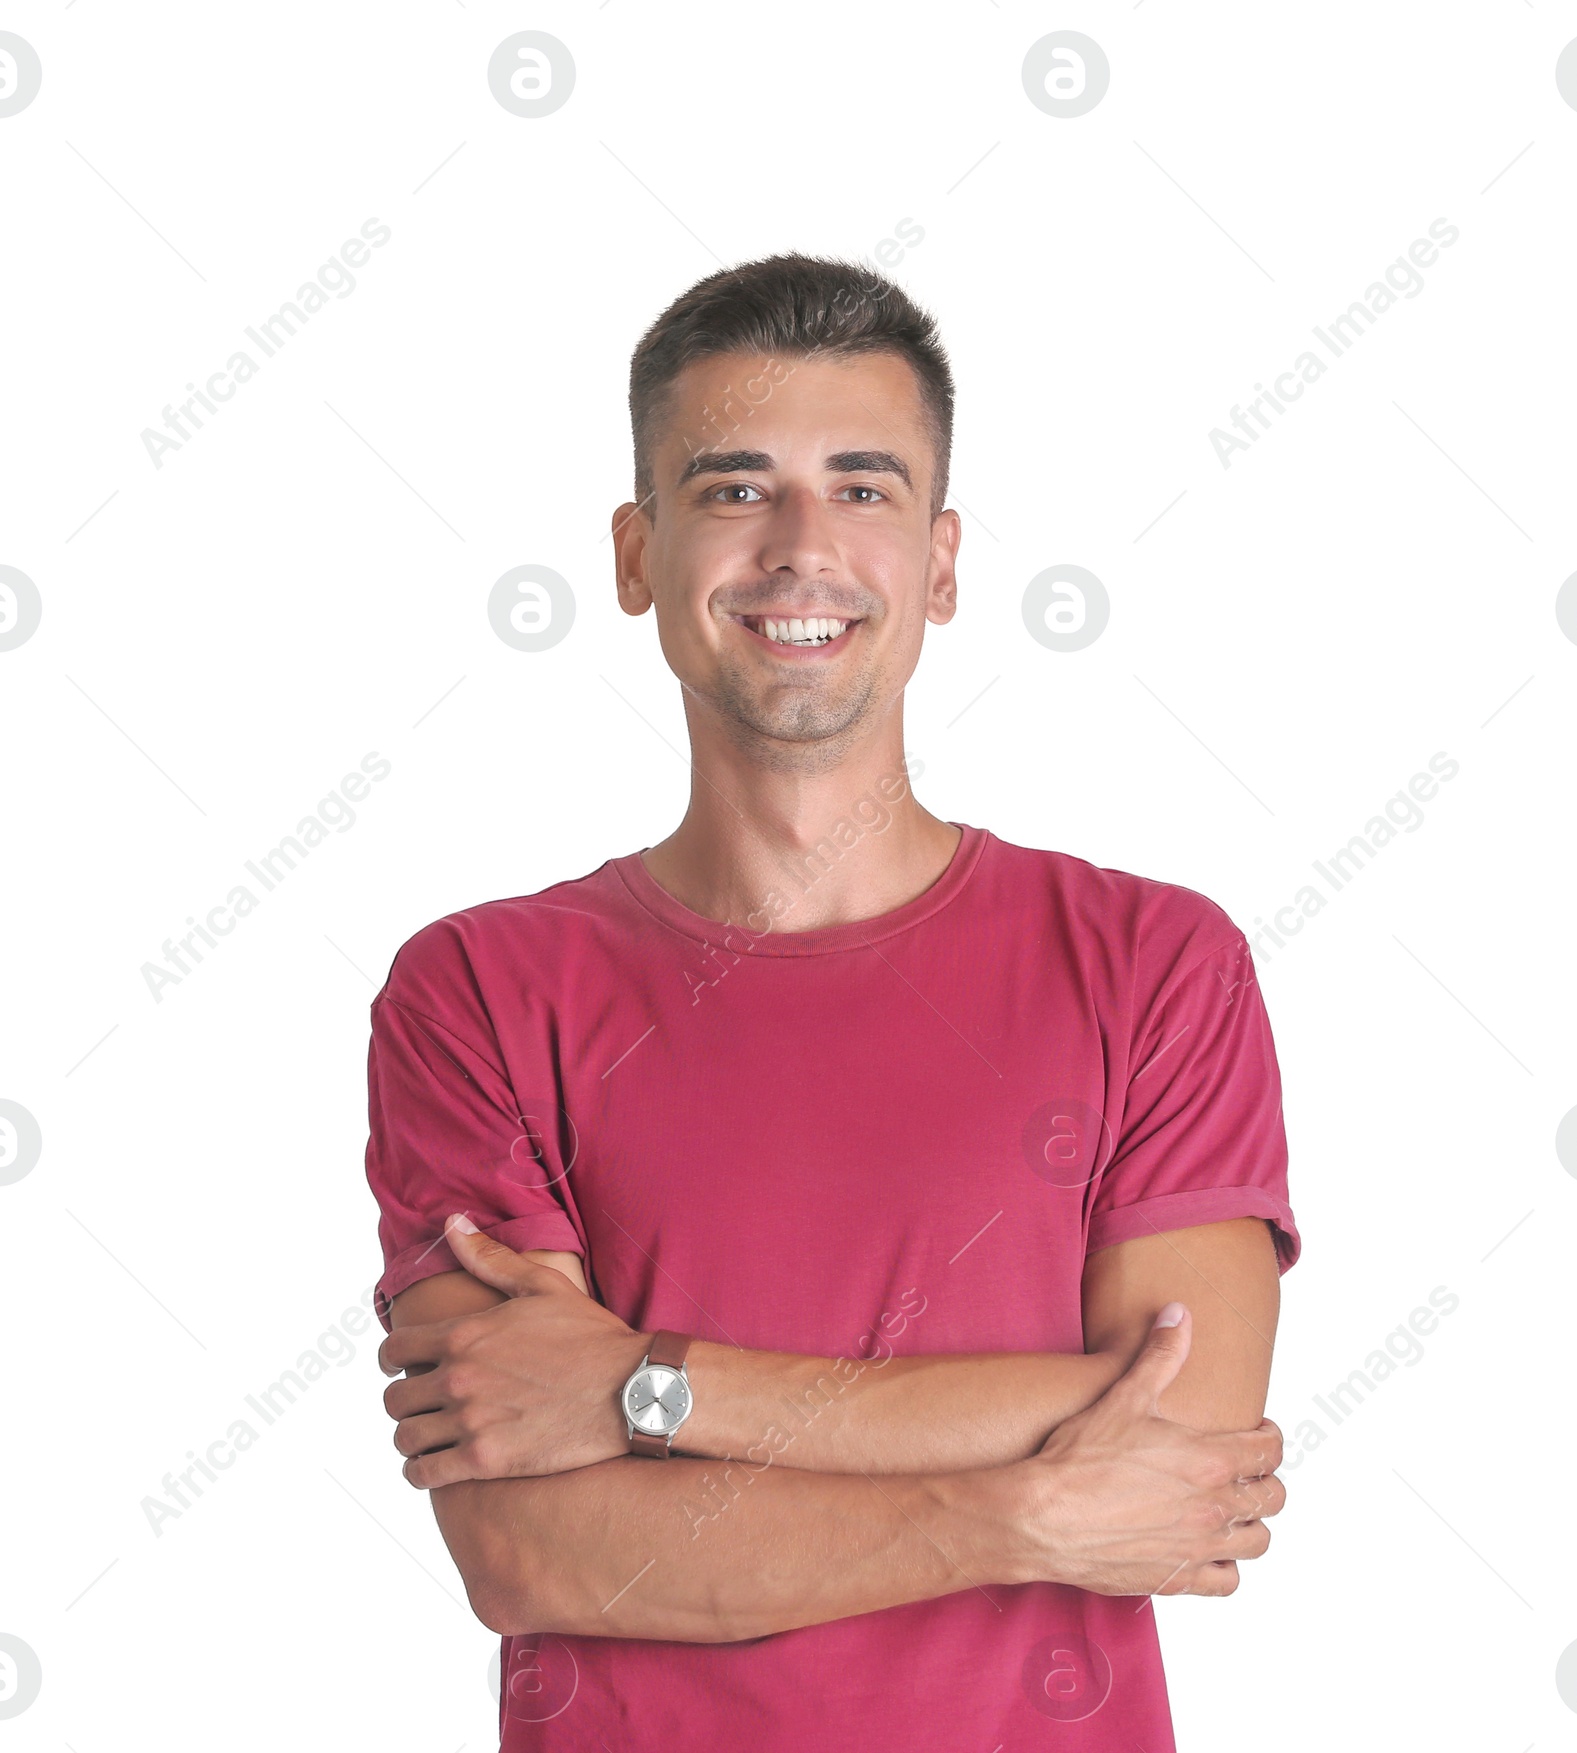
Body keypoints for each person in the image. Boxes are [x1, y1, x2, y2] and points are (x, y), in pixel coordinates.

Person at [363, 252, 1299, 1751]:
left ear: (939, 562)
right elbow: (533, 1553)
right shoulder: (477, 990)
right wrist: (1024, 1508)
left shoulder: (1154, 963)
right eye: (735, 488)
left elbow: (1182, 1454)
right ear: (634, 553)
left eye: (862, 488)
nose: (803, 546)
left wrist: (646, 1390)